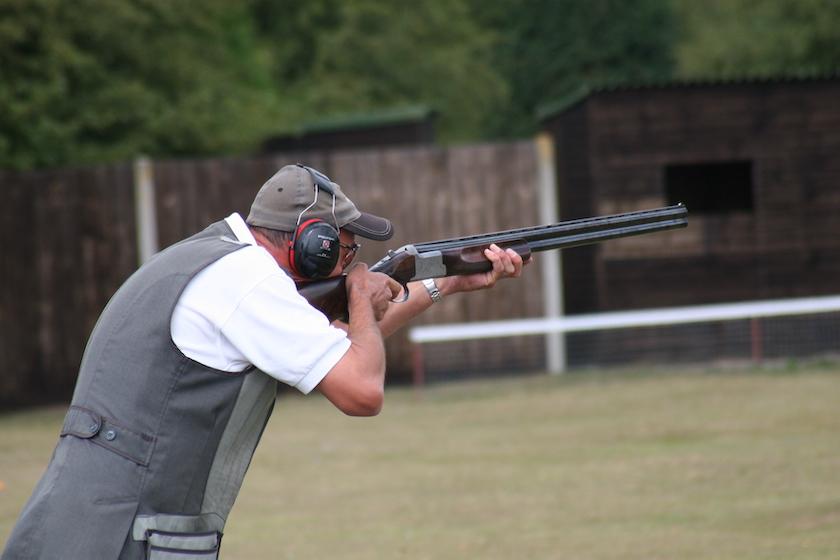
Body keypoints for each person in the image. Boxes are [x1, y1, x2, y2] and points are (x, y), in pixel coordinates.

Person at [1, 163, 526, 560]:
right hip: (116, 538)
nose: (351, 264)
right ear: (313, 245)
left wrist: (448, 282)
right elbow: (362, 390)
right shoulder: (248, 281)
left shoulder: (223, 265)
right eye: (344, 251)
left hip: (87, 529)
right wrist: (361, 296)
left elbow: (332, 348)